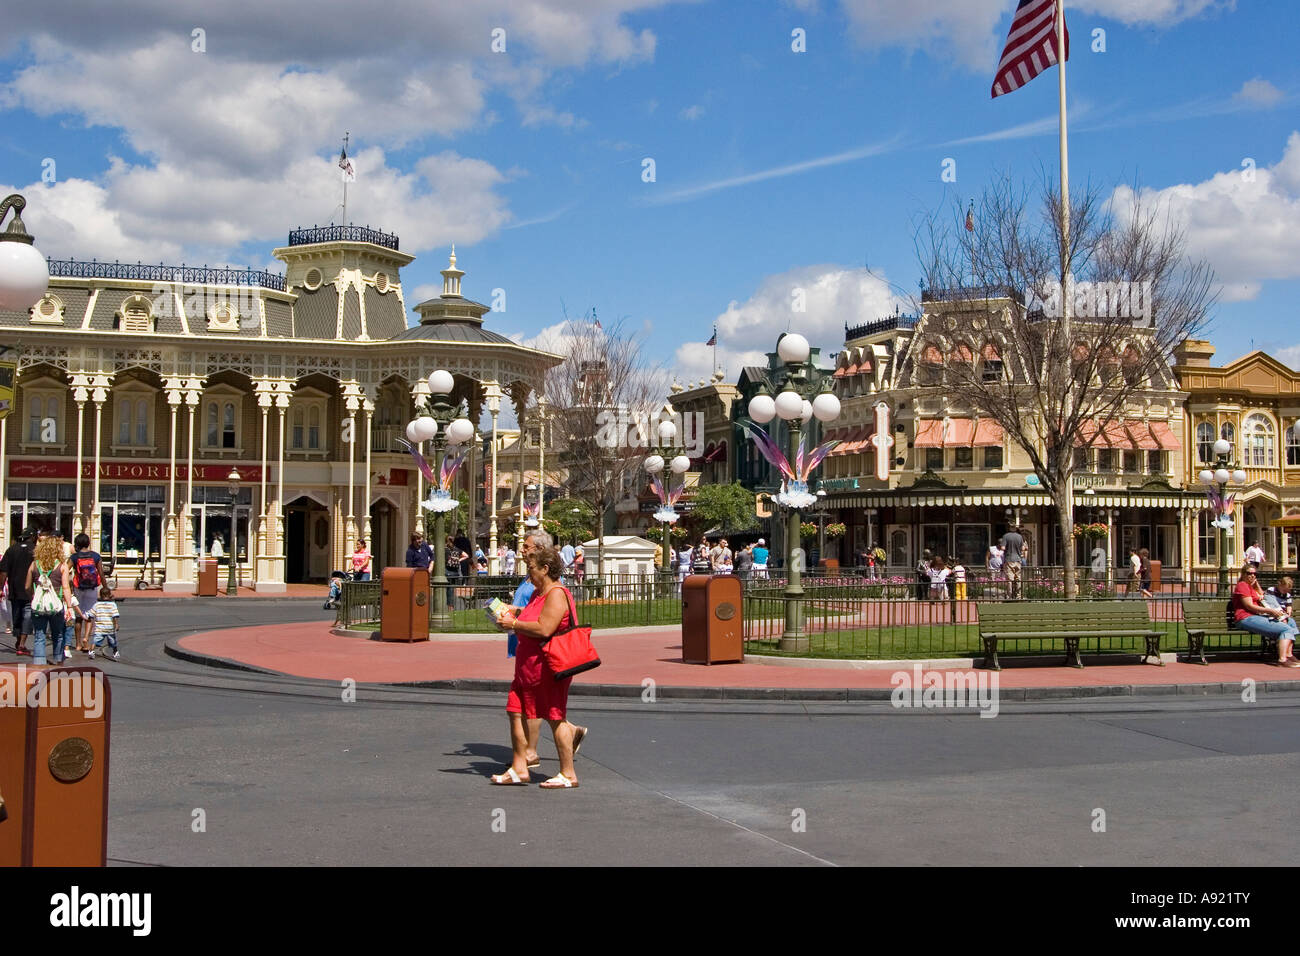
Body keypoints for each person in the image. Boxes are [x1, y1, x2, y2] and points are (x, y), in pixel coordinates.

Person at [492, 544, 589, 788]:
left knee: (555, 717)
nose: (529, 573)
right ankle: (519, 768)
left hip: (548, 668)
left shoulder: (557, 593)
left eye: (532, 568)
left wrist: (514, 624)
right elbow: (533, 615)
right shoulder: (539, 593)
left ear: (545, 569)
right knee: (515, 711)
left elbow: (545, 627)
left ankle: (568, 773)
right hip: (528, 668)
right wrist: (514, 612)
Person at [1230, 564, 1299, 667]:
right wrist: (1271, 611)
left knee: (1291, 622)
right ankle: (1282, 659)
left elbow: (1263, 596)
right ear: (1244, 574)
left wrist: (1256, 585)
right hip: (1245, 618)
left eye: (1255, 574)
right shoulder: (1242, 585)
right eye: (1249, 573)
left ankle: (1288, 654)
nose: (1252, 576)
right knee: (1286, 629)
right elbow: (1249, 606)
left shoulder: (1251, 587)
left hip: (1256, 617)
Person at [26, 532, 74, 666]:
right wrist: (69, 606)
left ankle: (39, 664)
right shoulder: (62, 566)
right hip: (56, 605)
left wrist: (33, 596)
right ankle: (59, 661)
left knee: (39, 636)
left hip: (39, 606)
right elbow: (65, 587)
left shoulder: (34, 564)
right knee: (58, 635)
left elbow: (27, 586)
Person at [0, 528, 38, 656]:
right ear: (32, 537)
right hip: (30, 589)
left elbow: (3, 571)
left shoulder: (11, 549)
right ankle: (21, 644)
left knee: (17, 615)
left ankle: (19, 642)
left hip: (14, 589)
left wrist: (1, 588)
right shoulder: (35, 550)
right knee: (27, 615)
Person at [68, 533, 104, 655]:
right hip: (92, 589)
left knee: (78, 616)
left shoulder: (74, 557)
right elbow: (101, 573)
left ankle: (78, 643)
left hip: (79, 588)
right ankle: (86, 639)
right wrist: (105, 588)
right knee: (90, 615)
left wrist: (68, 585)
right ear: (88, 543)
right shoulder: (95, 556)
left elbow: (65, 570)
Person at [87, 584, 121, 661]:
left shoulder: (97, 605)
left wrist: (89, 619)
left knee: (95, 640)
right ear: (109, 595)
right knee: (113, 641)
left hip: (100, 627)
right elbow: (115, 615)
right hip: (109, 627)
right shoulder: (113, 605)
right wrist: (116, 624)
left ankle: (91, 651)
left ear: (100, 595)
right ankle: (115, 652)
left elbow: (91, 614)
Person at [1000, 529, 1024, 600]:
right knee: (1018, 578)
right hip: (1018, 560)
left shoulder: (1006, 536)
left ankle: (1009, 596)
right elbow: (1023, 548)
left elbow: (1002, 547)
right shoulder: (1020, 537)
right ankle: (1018, 595)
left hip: (1009, 559)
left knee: (1009, 579)